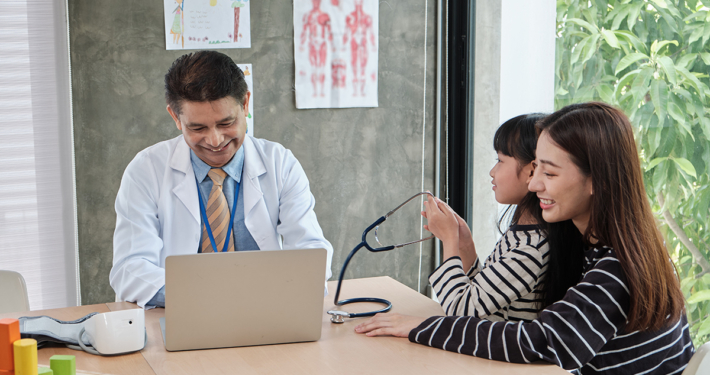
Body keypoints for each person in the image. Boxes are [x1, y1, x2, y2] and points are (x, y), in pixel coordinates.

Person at [356, 102, 694, 374]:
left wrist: (421, 327)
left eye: (549, 173)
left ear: (597, 181)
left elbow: (537, 342)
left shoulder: (615, 268)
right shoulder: (627, 244)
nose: (534, 185)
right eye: (535, 170)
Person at [110, 51, 334, 308]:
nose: (215, 141)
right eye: (197, 128)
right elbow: (130, 270)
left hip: (266, 309)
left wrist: (277, 290)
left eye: (226, 122)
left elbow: (312, 252)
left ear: (245, 104)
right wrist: (212, 297)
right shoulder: (146, 170)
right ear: (175, 117)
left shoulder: (280, 163)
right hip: (183, 310)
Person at [424, 114, 553, 322]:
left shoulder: (531, 249)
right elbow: (484, 301)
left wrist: (449, 240)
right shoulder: (524, 233)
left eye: (500, 161)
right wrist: (465, 245)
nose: (492, 171)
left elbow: (461, 310)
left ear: (532, 171)